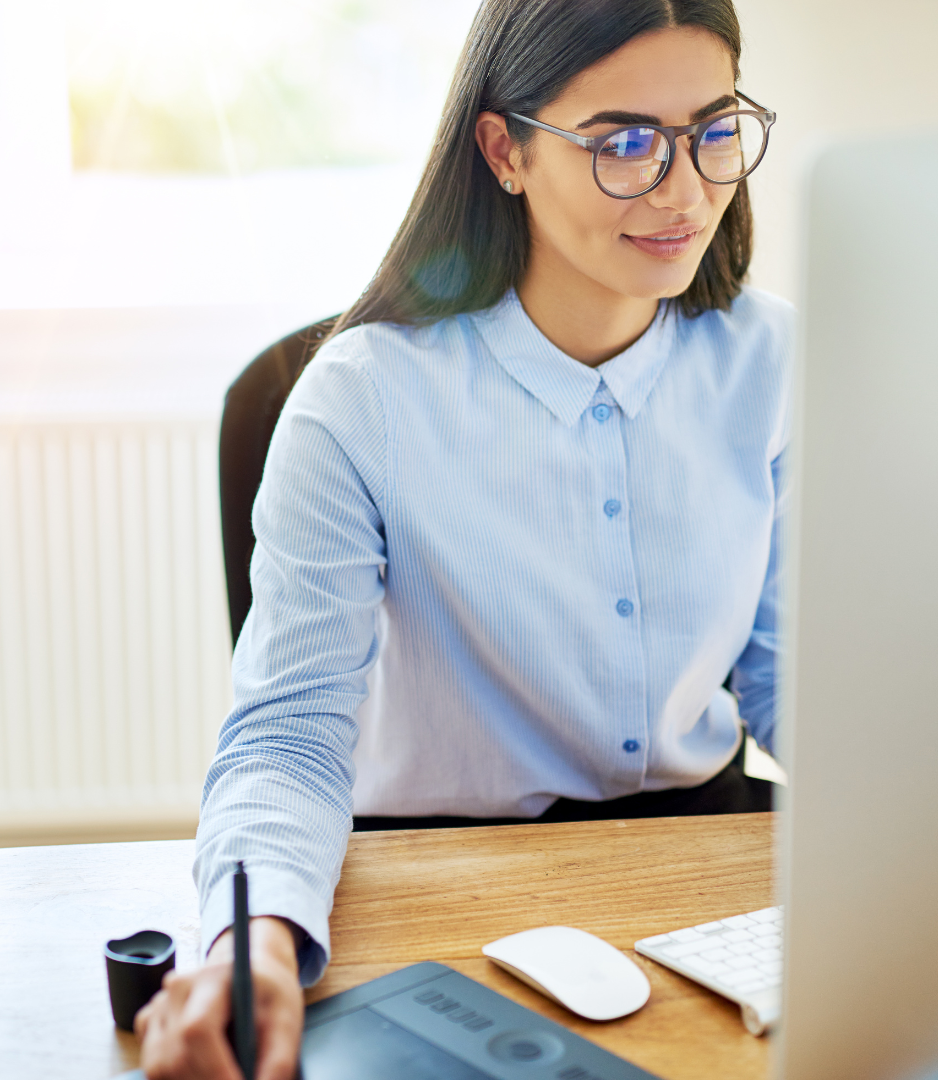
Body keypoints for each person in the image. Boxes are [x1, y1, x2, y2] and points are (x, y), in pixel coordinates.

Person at [137, 0, 791, 1075]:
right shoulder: (361, 401)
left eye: (713, 131)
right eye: (624, 143)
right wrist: (249, 944)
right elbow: (290, 733)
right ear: (505, 150)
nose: (685, 190)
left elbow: (789, 679)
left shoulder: (774, 360)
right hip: (433, 873)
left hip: (699, 856)